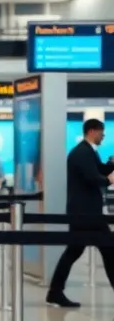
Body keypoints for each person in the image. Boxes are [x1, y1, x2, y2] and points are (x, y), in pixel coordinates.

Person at [46, 118, 114, 309]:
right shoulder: (82, 152)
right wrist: (109, 180)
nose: (103, 136)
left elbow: (98, 169)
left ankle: (54, 292)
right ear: (92, 131)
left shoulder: (87, 151)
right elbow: (93, 177)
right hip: (86, 214)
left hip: (85, 212)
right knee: (109, 250)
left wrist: (111, 165)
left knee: (75, 251)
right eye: (102, 132)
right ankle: (54, 292)